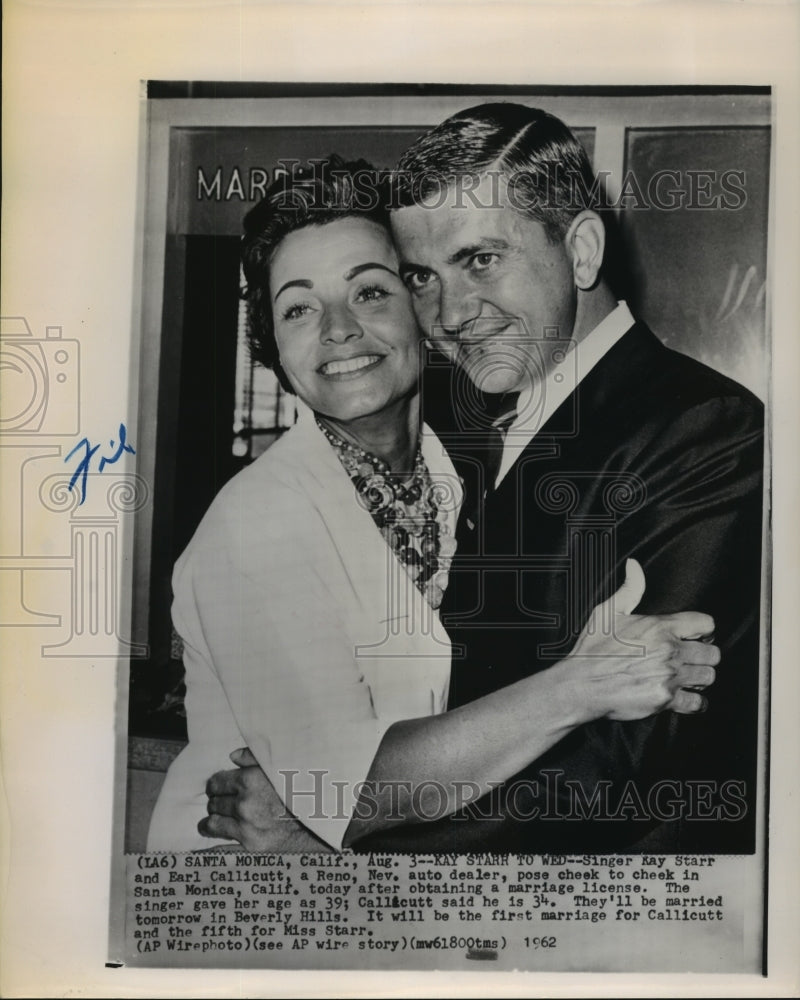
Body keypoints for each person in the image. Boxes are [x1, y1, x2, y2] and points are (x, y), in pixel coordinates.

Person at [207, 105, 763, 855]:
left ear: (584, 251)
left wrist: (335, 841)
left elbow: (627, 770)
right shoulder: (471, 440)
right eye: (422, 278)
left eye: (480, 260)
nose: (452, 313)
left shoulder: (704, 428)